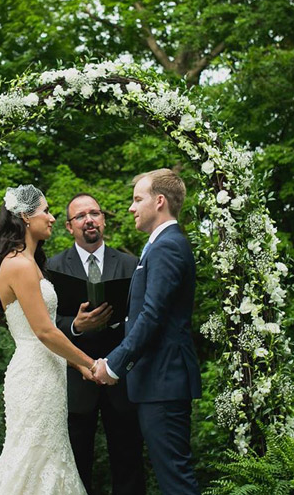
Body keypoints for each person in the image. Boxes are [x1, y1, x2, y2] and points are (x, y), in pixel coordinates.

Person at [0, 185, 97, 495]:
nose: (52, 218)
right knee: (28, 461)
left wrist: (75, 365)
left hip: (48, 372)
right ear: (26, 217)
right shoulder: (18, 265)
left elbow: (47, 331)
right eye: (46, 211)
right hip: (34, 376)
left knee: (49, 458)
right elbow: (44, 332)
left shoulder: (30, 263)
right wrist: (89, 362)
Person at [93, 169, 202, 495]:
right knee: (172, 475)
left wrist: (114, 364)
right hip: (157, 381)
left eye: (137, 199)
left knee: (176, 480)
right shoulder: (160, 245)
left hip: (163, 381)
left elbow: (153, 316)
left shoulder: (168, 247)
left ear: (159, 201)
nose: (131, 207)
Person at [46, 193, 146, 495]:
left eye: (95, 213)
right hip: (76, 380)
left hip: (122, 379)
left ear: (103, 220)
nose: (89, 219)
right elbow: (44, 325)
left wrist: (115, 321)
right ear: (68, 226)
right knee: (76, 465)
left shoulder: (132, 264)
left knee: (129, 464)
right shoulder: (52, 267)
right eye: (80, 216)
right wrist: (76, 326)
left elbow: (144, 317)